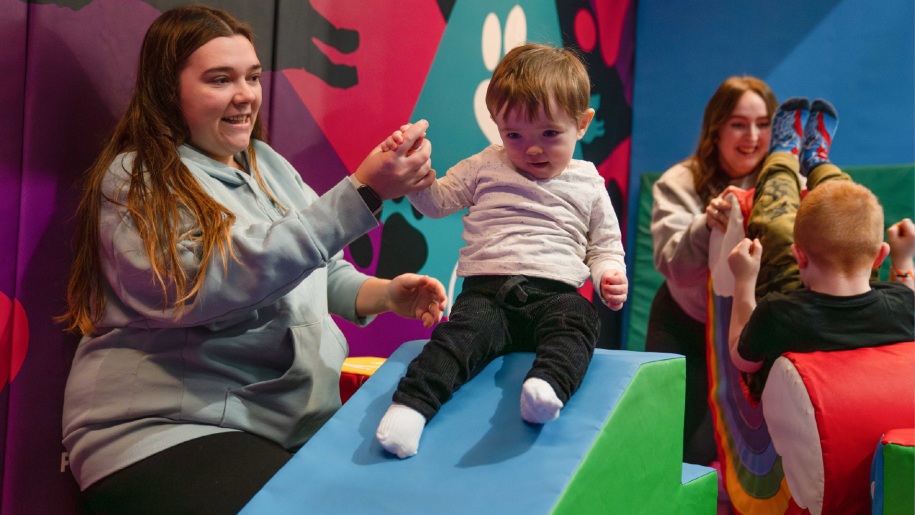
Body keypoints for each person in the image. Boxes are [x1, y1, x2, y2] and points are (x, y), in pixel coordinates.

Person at [57, 5, 447, 514]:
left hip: (275, 429)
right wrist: (363, 191)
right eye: (221, 79)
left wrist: (385, 293)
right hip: (164, 433)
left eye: (252, 77)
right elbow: (209, 283)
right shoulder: (138, 177)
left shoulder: (268, 166)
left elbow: (317, 269)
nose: (245, 95)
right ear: (167, 91)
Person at [373, 43, 628, 459]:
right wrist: (416, 177)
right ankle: (410, 408)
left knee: (579, 322)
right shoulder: (484, 165)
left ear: (582, 124)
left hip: (555, 296)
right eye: (514, 135)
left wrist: (607, 275)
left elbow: (604, 246)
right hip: (486, 294)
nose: (532, 149)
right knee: (455, 341)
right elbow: (437, 202)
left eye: (549, 134)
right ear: (496, 126)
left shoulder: (588, 183)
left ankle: (545, 387)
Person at [727, 97, 915, 400]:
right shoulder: (902, 306)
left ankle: (784, 155)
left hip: (797, 321)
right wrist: (905, 258)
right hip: (854, 310)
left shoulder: (777, 313)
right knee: (848, 208)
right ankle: (815, 161)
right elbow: (909, 297)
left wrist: (744, 280)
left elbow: (742, 359)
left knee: (776, 226)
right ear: (882, 255)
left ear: (798, 255)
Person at [647, 76, 779, 465]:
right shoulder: (680, 182)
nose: (752, 136)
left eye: (764, 123)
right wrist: (704, 225)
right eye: (739, 123)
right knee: (677, 442)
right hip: (685, 323)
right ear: (716, 128)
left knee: (747, 446)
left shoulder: (787, 183)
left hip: (750, 332)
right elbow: (675, 267)